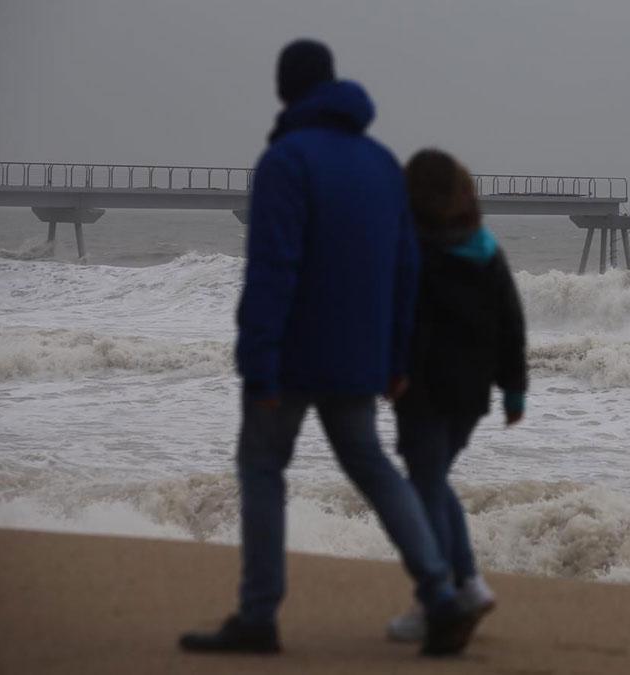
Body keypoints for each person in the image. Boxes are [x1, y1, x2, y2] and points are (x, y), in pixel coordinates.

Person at [179, 40, 479, 658]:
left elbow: (273, 271)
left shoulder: (286, 161)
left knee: (263, 469)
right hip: (358, 358)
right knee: (373, 468)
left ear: (286, 90)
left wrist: (257, 364)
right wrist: (395, 359)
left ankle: (259, 616)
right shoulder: (379, 164)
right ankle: (441, 597)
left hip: (291, 357)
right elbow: (405, 272)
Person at [385, 149, 528, 642]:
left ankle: (448, 594)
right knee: (431, 481)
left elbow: (404, 320)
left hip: (421, 388)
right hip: (471, 393)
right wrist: (514, 389)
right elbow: (511, 320)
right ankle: (462, 586)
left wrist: (390, 370)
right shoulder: (485, 248)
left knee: (425, 485)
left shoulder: (413, 248)